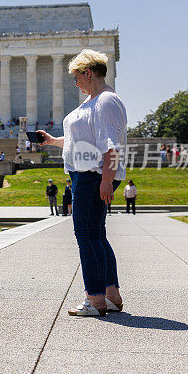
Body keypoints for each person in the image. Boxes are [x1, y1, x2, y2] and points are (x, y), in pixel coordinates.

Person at [38, 49, 127, 317]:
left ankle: (95, 299)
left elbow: (110, 147)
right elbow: (84, 140)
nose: (75, 82)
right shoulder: (95, 101)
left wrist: (106, 181)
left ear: (88, 72)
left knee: (86, 237)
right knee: (96, 235)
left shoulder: (105, 102)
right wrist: (52, 141)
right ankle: (111, 296)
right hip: (88, 175)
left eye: (76, 76)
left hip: (92, 176)